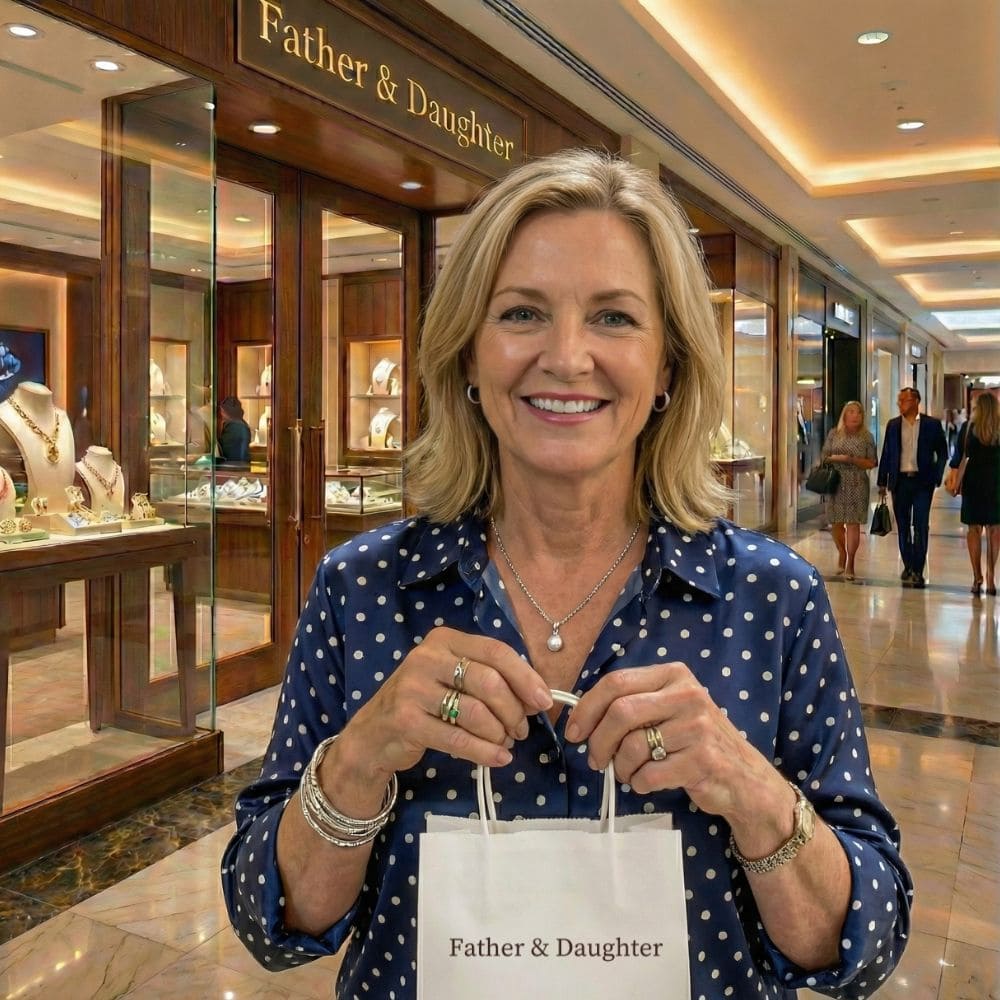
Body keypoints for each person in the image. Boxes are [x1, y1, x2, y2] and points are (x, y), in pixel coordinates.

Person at [222, 150, 911, 998]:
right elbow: (268, 921)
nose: (567, 356)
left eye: (614, 318)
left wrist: (749, 789)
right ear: (468, 356)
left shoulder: (772, 598)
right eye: (522, 312)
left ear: (667, 366)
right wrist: (358, 761)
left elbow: (865, 944)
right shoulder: (361, 588)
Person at [876, 386, 948, 588]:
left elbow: (943, 452)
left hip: (923, 482)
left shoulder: (931, 425)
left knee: (921, 525)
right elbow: (887, 454)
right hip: (900, 482)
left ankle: (918, 569)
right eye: (899, 401)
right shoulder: (893, 425)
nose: (900, 404)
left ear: (916, 401)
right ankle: (908, 565)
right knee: (903, 525)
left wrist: (937, 476)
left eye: (904, 400)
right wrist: (882, 481)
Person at [948, 393, 1000, 595]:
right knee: (995, 531)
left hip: (974, 483)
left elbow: (958, 457)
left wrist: (954, 480)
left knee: (974, 530)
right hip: (996, 483)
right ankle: (991, 576)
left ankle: (977, 576)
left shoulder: (968, 428)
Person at [821, 400, 877, 580]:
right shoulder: (834, 434)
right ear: (844, 415)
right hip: (836, 482)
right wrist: (835, 459)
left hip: (857, 483)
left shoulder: (866, 437)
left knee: (853, 524)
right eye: (851, 412)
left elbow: (872, 462)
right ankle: (842, 552)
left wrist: (851, 460)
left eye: (858, 412)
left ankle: (851, 561)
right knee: (836, 523)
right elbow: (824, 456)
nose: (855, 415)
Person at [218, 395, 251, 463]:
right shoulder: (242, 424)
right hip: (242, 465)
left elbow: (227, 451)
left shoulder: (233, 427)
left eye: (222, 411)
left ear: (227, 412)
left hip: (234, 466)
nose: (221, 414)